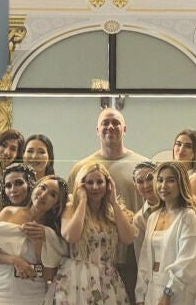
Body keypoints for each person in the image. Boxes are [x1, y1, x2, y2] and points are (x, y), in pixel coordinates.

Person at [69, 108, 148, 300]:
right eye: (105, 123)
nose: (110, 127)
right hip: (90, 262)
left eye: (116, 123)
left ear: (125, 129)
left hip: (134, 256)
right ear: (97, 130)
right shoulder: (80, 169)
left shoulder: (143, 166)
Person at [55, 163, 135, 304]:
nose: (95, 187)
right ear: (81, 185)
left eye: (100, 182)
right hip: (78, 277)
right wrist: (82, 201)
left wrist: (114, 203)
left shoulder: (114, 211)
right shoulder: (71, 208)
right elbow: (71, 237)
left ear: (108, 184)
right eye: (90, 182)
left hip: (107, 278)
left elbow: (128, 239)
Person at [0, 175, 68, 304]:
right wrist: (14, 260)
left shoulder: (52, 232)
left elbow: (49, 276)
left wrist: (38, 243)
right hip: (2, 289)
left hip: (35, 293)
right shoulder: (9, 212)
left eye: (52, 194)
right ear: (34, 188)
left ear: (57, 204)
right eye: (42, 187)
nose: (44, 195)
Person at [135, 162, 196, 305]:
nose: (164, 186)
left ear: (181, 183)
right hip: (152, 288)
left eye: (171, 180)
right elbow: (144, 260)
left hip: (177, 291)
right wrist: (140, 295)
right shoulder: (153, 217)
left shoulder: (187, 216)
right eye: (160, 180)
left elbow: (187, 260)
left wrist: (168, 292)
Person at [131, 161, 159, 263]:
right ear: (135, 185)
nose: (146, 185)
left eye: (150, 178)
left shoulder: (176, 207)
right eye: (140, 181)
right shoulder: (139, 219)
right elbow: (142, 259)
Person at [171, 129, 196, 200]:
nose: (181, 150)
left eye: (188, 146)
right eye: (178, 144)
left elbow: (186, 205)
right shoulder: (168, 175)